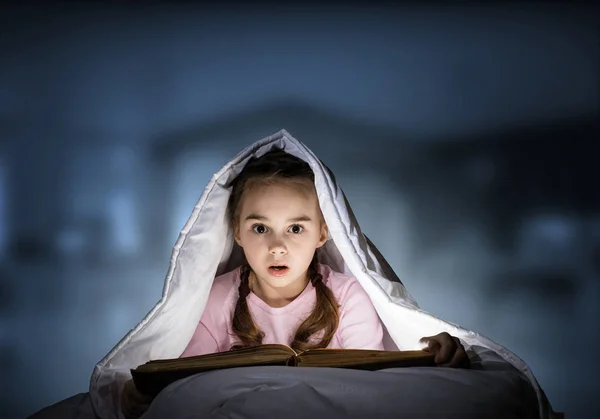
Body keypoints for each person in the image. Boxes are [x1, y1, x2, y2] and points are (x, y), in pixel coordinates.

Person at [121, 149, 469, 419]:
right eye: (260, 228)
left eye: (296, 228)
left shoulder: (349, 297)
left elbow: (367, 387)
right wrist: (145, 396)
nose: (277, 246)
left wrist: (432, 354)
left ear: (322, 233)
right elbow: (187, 384)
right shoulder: (216, 299)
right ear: (237, 231)